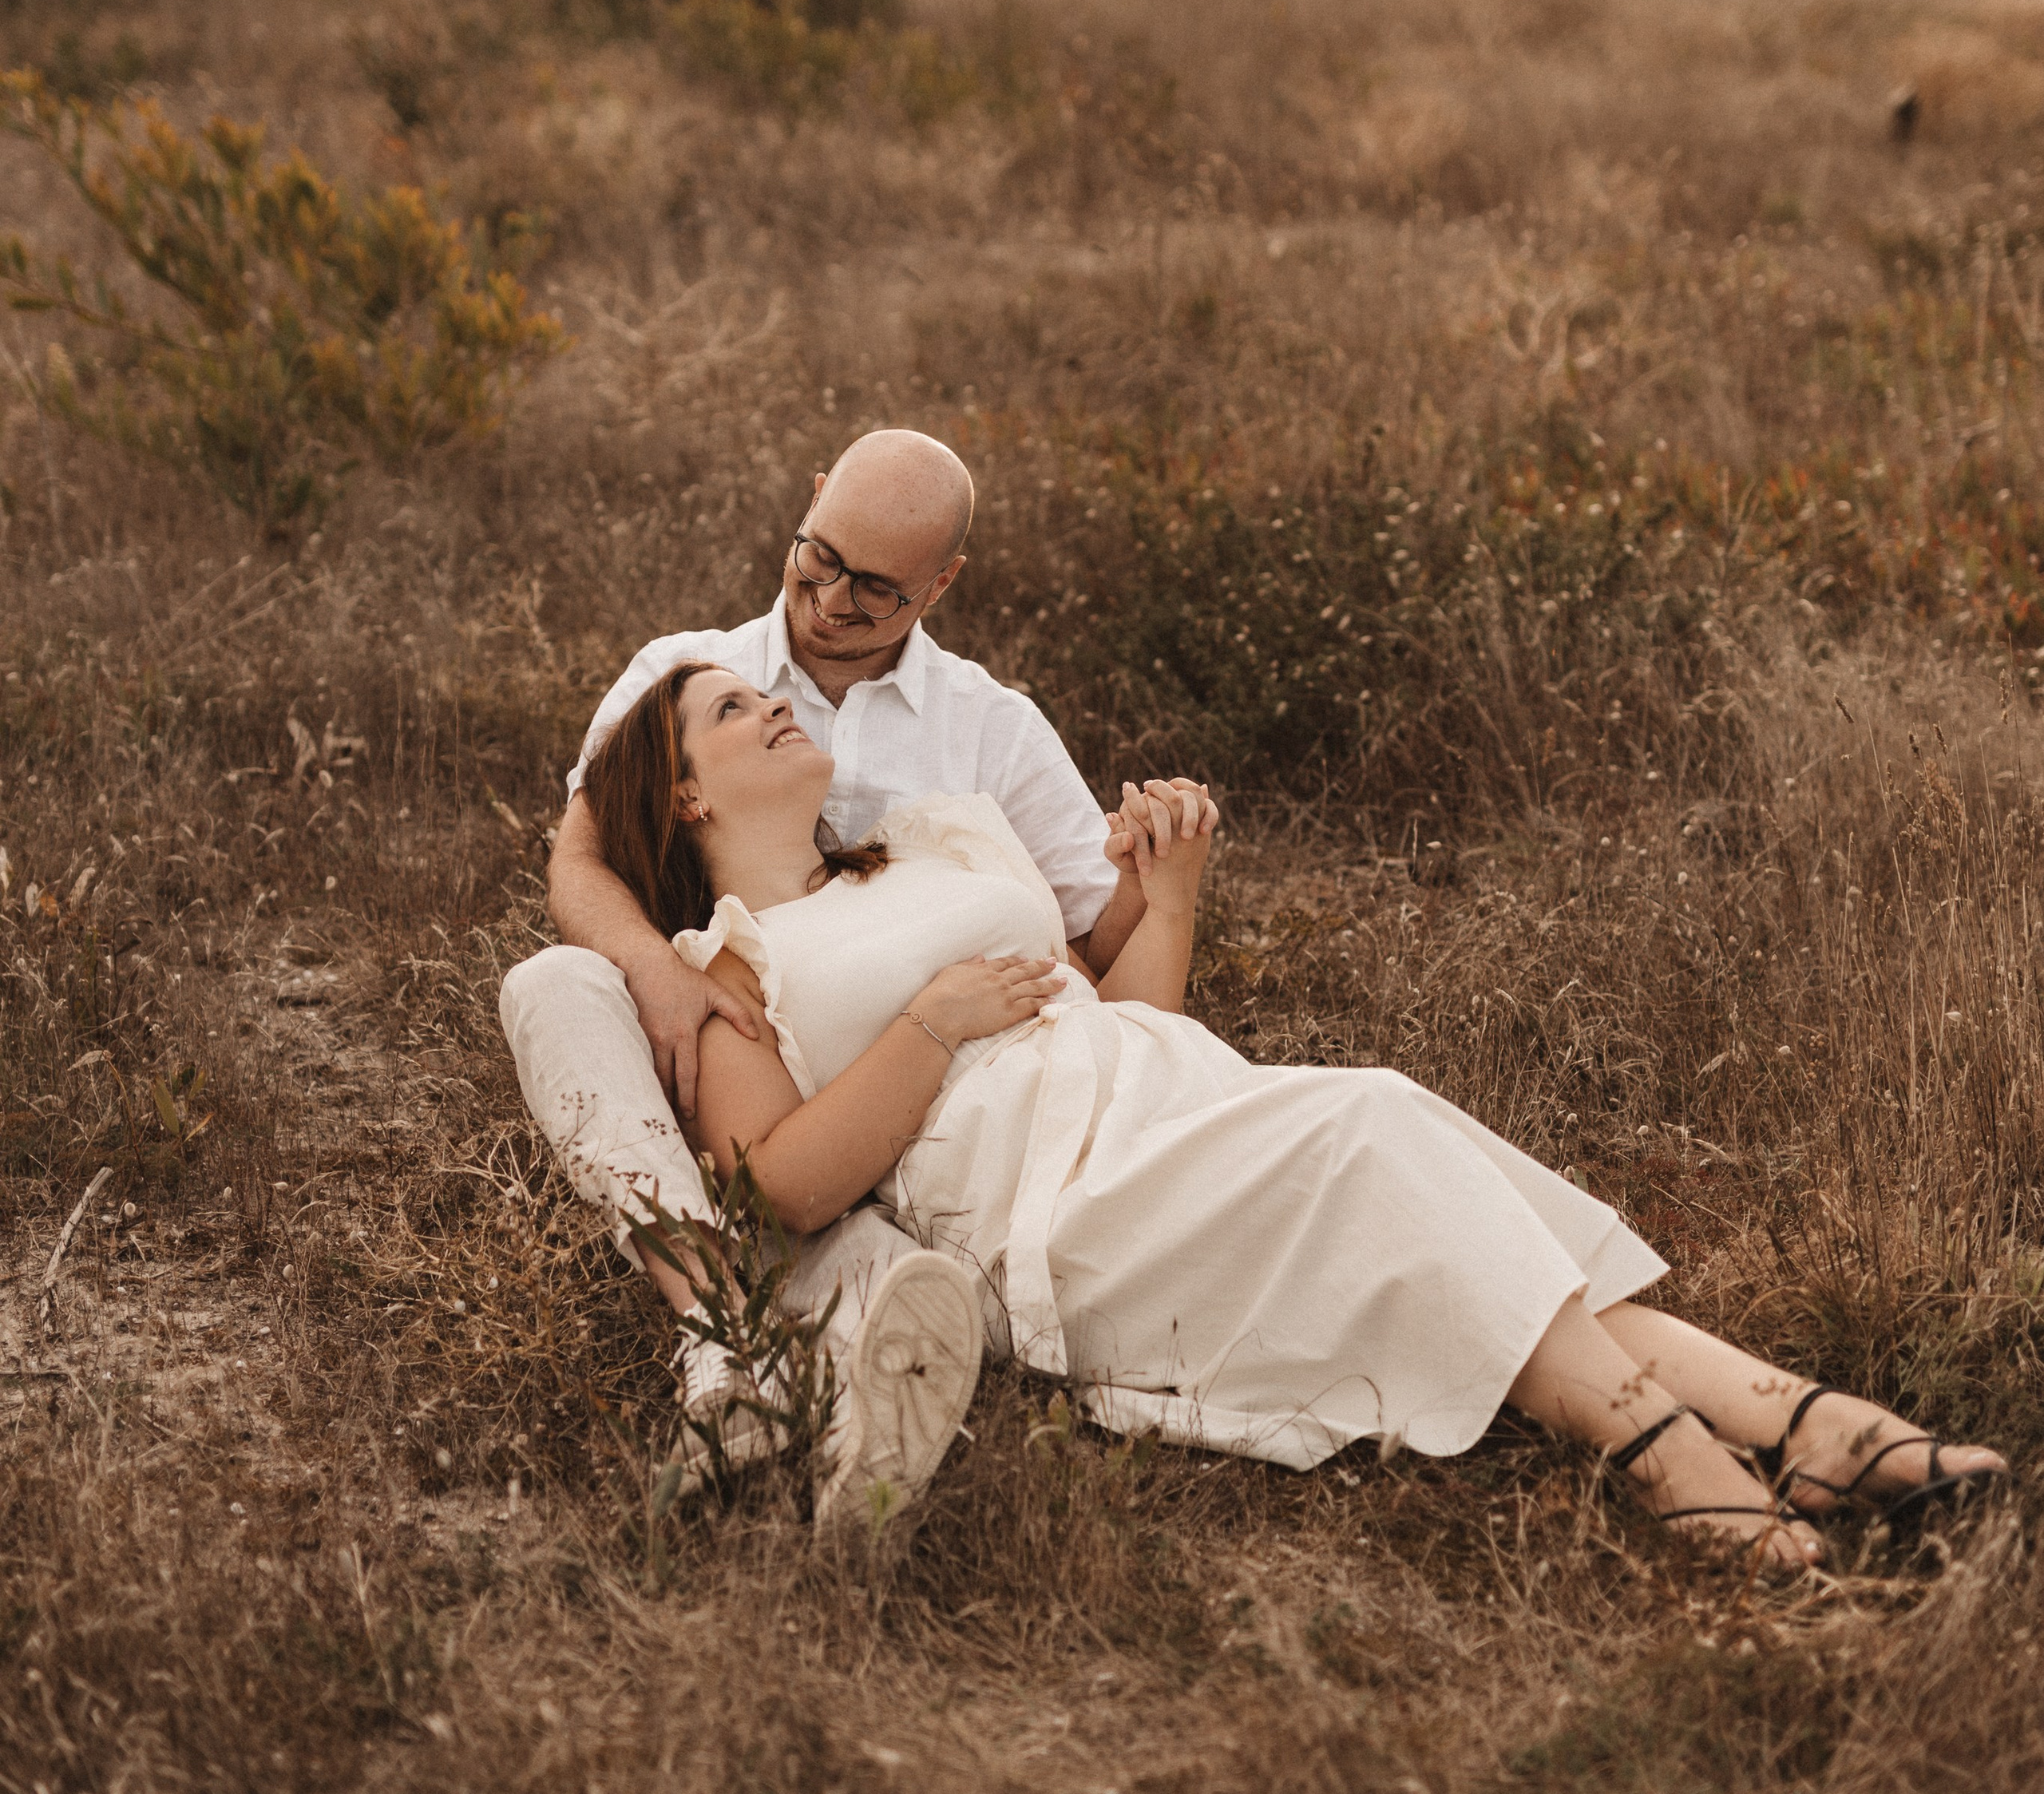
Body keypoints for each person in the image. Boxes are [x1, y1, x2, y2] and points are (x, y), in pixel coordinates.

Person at [568, 654, 2010, 1570]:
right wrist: (930, 1028)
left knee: (1431, 1181)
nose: (776, 699)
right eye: (733, 705)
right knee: (1379, 1124)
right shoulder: (735, 970)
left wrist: (1172, 889)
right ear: (683, 786)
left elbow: (1129, 1023)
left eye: (768, 691)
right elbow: (779, 1187)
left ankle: (1803, 1427)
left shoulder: (933, 844)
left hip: (1174, 1100)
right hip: (1054, 1211)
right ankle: (1703, 1463)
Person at [501, 428, 1194, 1528]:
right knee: (552, 985)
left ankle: (857, 1402)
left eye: (875, 590)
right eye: (816, 558)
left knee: (872, 1241)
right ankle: (718, 1342)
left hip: (904, 1102)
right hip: (712, 1050)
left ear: (941, 583)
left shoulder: (992, 730)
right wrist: (659, 972)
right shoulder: (687, 670)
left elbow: (1100, 940)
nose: (830, 602)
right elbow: (579, 856)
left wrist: (1162, 858)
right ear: (813, 499)